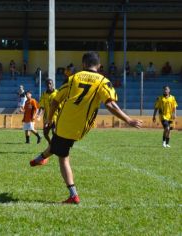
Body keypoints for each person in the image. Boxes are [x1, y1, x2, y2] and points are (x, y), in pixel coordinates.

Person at [30, 51, 142, 204]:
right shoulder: (103, 81)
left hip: (65, 122)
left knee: (63, 158)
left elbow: (55, 101)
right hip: (82, 127)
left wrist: (49, 119)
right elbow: (110, 104)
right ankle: (40, 159)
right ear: (99, 65)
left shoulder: (73, 78)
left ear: (83, 64)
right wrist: (128, 119)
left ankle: (73, 194)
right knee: (58, 145)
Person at [38, 79, 58, 145]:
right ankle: (51, 144)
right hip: (46, 117)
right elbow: (41, 106)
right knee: (45, 133)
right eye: (47, 84)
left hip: (55, 117)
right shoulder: (44, 94)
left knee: (54, 131)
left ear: (53, 84)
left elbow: (61, 106)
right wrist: (39, 115)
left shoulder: (57, 93)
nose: (48, 85)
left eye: (50, 83)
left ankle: (56, 145)